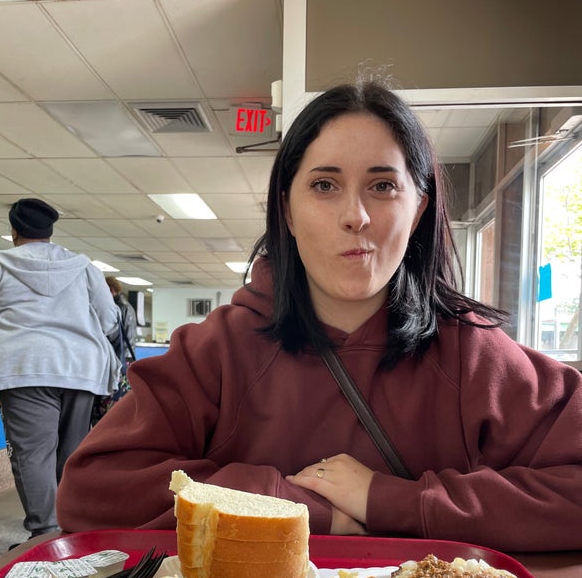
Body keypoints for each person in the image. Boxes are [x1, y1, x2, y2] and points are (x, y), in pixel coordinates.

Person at [56, 79, 582, 552]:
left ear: (419, 209)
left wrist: (391, 500)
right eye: (324, 186)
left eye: (383, 186)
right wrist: (286, 505)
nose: (356, 216)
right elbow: (91, 491)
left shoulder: (472, 353)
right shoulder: (217, 349)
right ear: (287, 209)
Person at [0, 197, 120, 541]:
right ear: (49, 231)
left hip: (24, 368)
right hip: (81, 369)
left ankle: (46, 534)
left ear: (14, 231)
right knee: (71, 454)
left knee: (33, 454)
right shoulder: (83, 266)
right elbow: (109, 319)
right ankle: (69, 528)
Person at [105, 276, 137, 359]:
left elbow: (112, 333)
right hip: (127, 353)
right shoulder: (127, 305)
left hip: (119, 354)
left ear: (111, 289)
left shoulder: (117, 306)